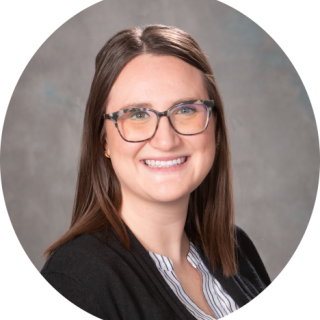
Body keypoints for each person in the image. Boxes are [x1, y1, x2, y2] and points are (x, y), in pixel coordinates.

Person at [40, 25, 271, 320]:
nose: (166, 140)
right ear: (103, 142)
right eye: (137, 115)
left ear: (216, 128)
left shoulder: (236, 249)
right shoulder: (75, 280)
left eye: (186, 110)